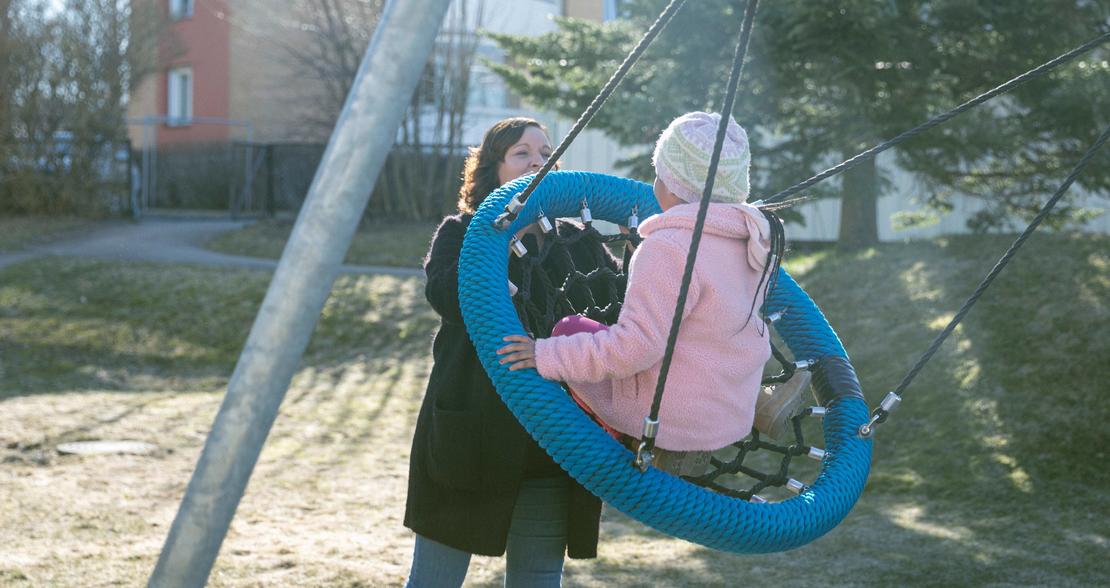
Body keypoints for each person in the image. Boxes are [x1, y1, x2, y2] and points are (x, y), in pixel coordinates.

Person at [498, 111, 782, 475]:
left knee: (569, 329)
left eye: (659, 173)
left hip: (669, 415)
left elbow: (633, 349)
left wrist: (544, 354)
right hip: (731, 405)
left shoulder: (669, 247)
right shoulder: (750, 239)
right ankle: (763, 404)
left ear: (672, 186)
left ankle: (633, 439)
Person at [404, 117, 620, 588]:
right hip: (473, 434)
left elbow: (621, 306)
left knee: (538, 577)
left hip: (554, 437)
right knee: (434, 579)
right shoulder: (462, 233)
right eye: (522, 153)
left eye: (545, 153)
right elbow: (446, 295)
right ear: (493, 169)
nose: (537, 162)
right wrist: (500, 238)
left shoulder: (577, 239)